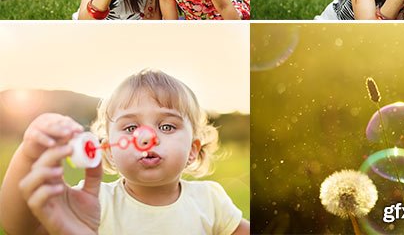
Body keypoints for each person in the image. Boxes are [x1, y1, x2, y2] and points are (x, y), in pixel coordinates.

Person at [0, 68, 249, 235]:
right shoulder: (95, 202)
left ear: (193, 150)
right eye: (130, 127)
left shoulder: (210, 200)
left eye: (166, 126)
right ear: (108, 151)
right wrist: (28, 155)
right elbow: (17, 227)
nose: (146, 137)